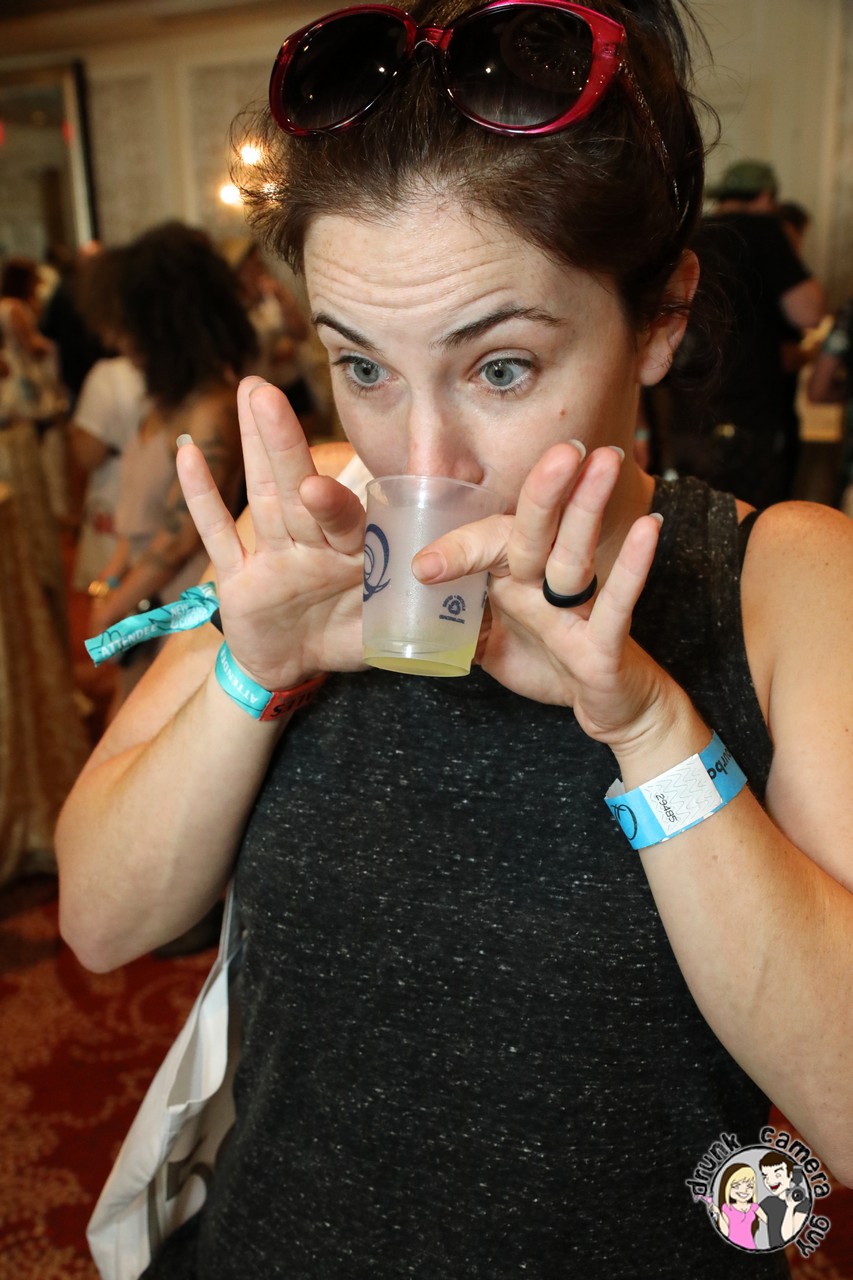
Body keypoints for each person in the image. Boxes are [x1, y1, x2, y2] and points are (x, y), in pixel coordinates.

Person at [56, 2, 853, 1276]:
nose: (421, 462)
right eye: (364, 368)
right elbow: (98, 922)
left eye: (501, 368)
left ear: (659, 320)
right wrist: (254, 672)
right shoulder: (307, 528)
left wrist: (650, 729)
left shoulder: (782, 582)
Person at [79, 221, 257, 710]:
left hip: (185, 601)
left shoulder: (210, 409)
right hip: (148, 592)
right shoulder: (163, 402)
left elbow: (181, 538)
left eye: (128, 328)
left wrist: (116, 608)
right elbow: (138, 521)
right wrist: (111, 585)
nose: (119, 342)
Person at [666, 160, 824, 506]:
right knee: (751, 523)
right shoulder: (763, 230)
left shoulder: (692, 233)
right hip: (749, 417)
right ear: (766, 197)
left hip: (688, 415)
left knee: (694, 518)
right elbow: (809, 312)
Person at [757, 1152, 810, 1249]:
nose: (770, 1181)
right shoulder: (768, 1202)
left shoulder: (802, 1203)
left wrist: (790, 1207)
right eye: (765, 1176)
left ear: (790, 1175)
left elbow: (787, 1237)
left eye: (777, 1175)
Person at [712, 1163, 767, 1250]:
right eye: (736, 1186)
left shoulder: (754, 1207)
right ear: (727, 1187)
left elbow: (770, 1222)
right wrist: (718, 1213)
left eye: (750, 1186)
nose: (744, 1190)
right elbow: (725, 1233)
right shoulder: (727, 1208)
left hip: (751, 1247)